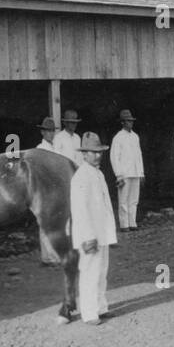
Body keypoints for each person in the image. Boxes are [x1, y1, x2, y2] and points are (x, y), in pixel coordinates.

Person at [69, 131, 117, 326]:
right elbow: (80, 210)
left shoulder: (98, 173)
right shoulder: (81, 176)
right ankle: (89, 313)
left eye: (99, 152)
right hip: (89, 234)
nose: (97, 156)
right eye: (92, 152)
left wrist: (108, 233)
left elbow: (104, 206)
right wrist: (89, 237)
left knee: (101, 271)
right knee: (90, 272)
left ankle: (101, 306)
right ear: (84, 154)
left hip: (102, 231)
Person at [110, 109, 144, 229]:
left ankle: (132, 222)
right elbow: (114, 157)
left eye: (131, 121)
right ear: (122, 123)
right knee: (123, 200)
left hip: (135, 172)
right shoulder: (118, 138)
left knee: (134, 200)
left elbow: (139, 155)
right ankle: (124, 224)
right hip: (124, 173)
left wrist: (141, 172)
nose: (131, 123)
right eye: (128, 121)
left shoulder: (135, 136)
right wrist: (118, 174)